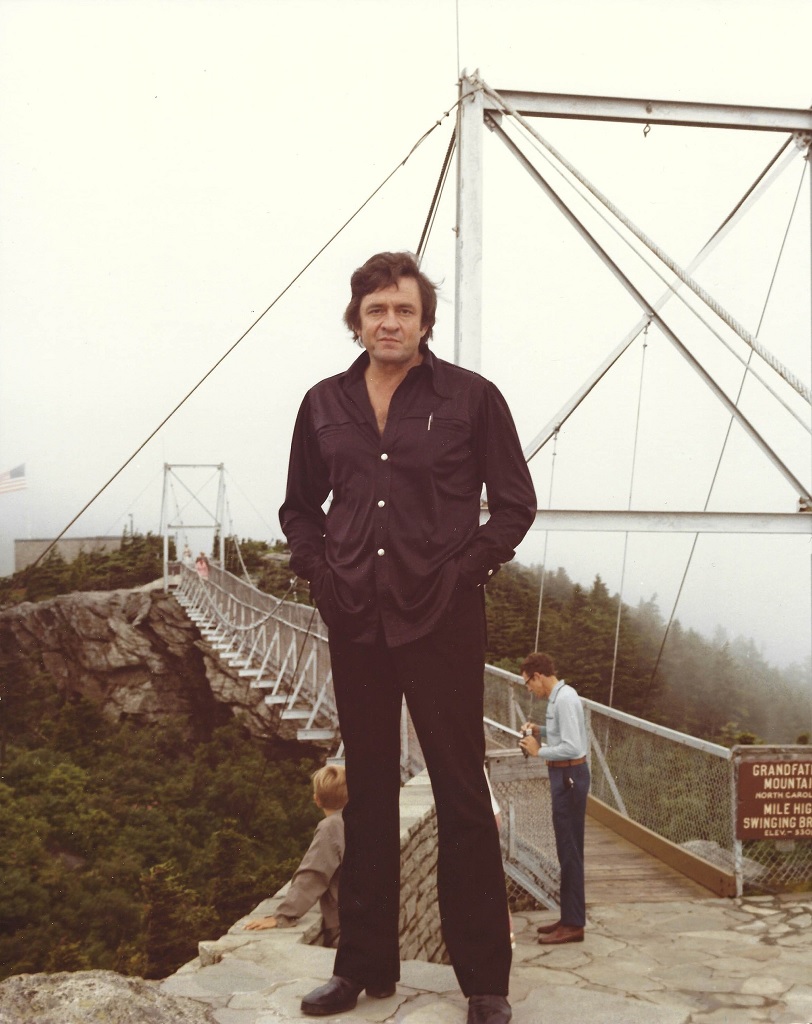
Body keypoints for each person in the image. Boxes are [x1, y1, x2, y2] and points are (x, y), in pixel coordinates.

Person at [279, 251, 536, 1024]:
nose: (389, 322)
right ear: (356, 320)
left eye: (404, 310)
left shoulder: (472, 398)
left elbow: (514, 504)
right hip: (356, 618)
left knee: (461, 793)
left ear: (425, 321)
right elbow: (299, 509)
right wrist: (321, 575)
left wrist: (463, 573)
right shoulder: (323, 404)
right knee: (366, 796)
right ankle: (363, 968)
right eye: (376, 309)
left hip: (443, 618)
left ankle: (484, 981)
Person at [518, 652, 590, 945]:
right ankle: (569, 916)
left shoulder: (564, 699)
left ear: (538, 676)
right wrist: (541, 731)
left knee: (569, 850)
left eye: (528, 683)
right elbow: (562, 733)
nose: (529, 689)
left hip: (569, 775)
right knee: (566, 849)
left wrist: (539, 751)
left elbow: (572, 747)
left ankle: (573, 925)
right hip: (564, 776)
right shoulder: (559, 698)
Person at [244, 764, 347, 947]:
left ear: (317, 800)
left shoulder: (330, 827)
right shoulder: (359, 819)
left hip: (346, 926)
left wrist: (283, 915)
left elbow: (314, 874)